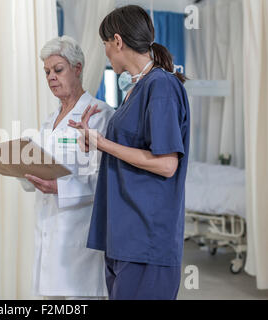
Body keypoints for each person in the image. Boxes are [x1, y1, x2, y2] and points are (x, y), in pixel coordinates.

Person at [69, 5, 190, 300]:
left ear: (118, 41)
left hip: (147, 237)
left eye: (105, 45)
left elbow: (166, 164)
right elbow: (131, 152)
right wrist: (94, 143)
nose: (106, 53)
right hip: (125, 233)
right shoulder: (136, 90)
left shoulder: (160, 85)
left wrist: (103, 143)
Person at [19, 35, 115, 300]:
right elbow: (38, 166)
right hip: (48, 227)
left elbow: (105, 181)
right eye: (47, 72)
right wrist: (19, 169)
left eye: (57, 69)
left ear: (78, 68)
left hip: (80, 233)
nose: (51, 77)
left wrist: (59, 187)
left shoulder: (100, 115)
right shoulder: (50, 121)